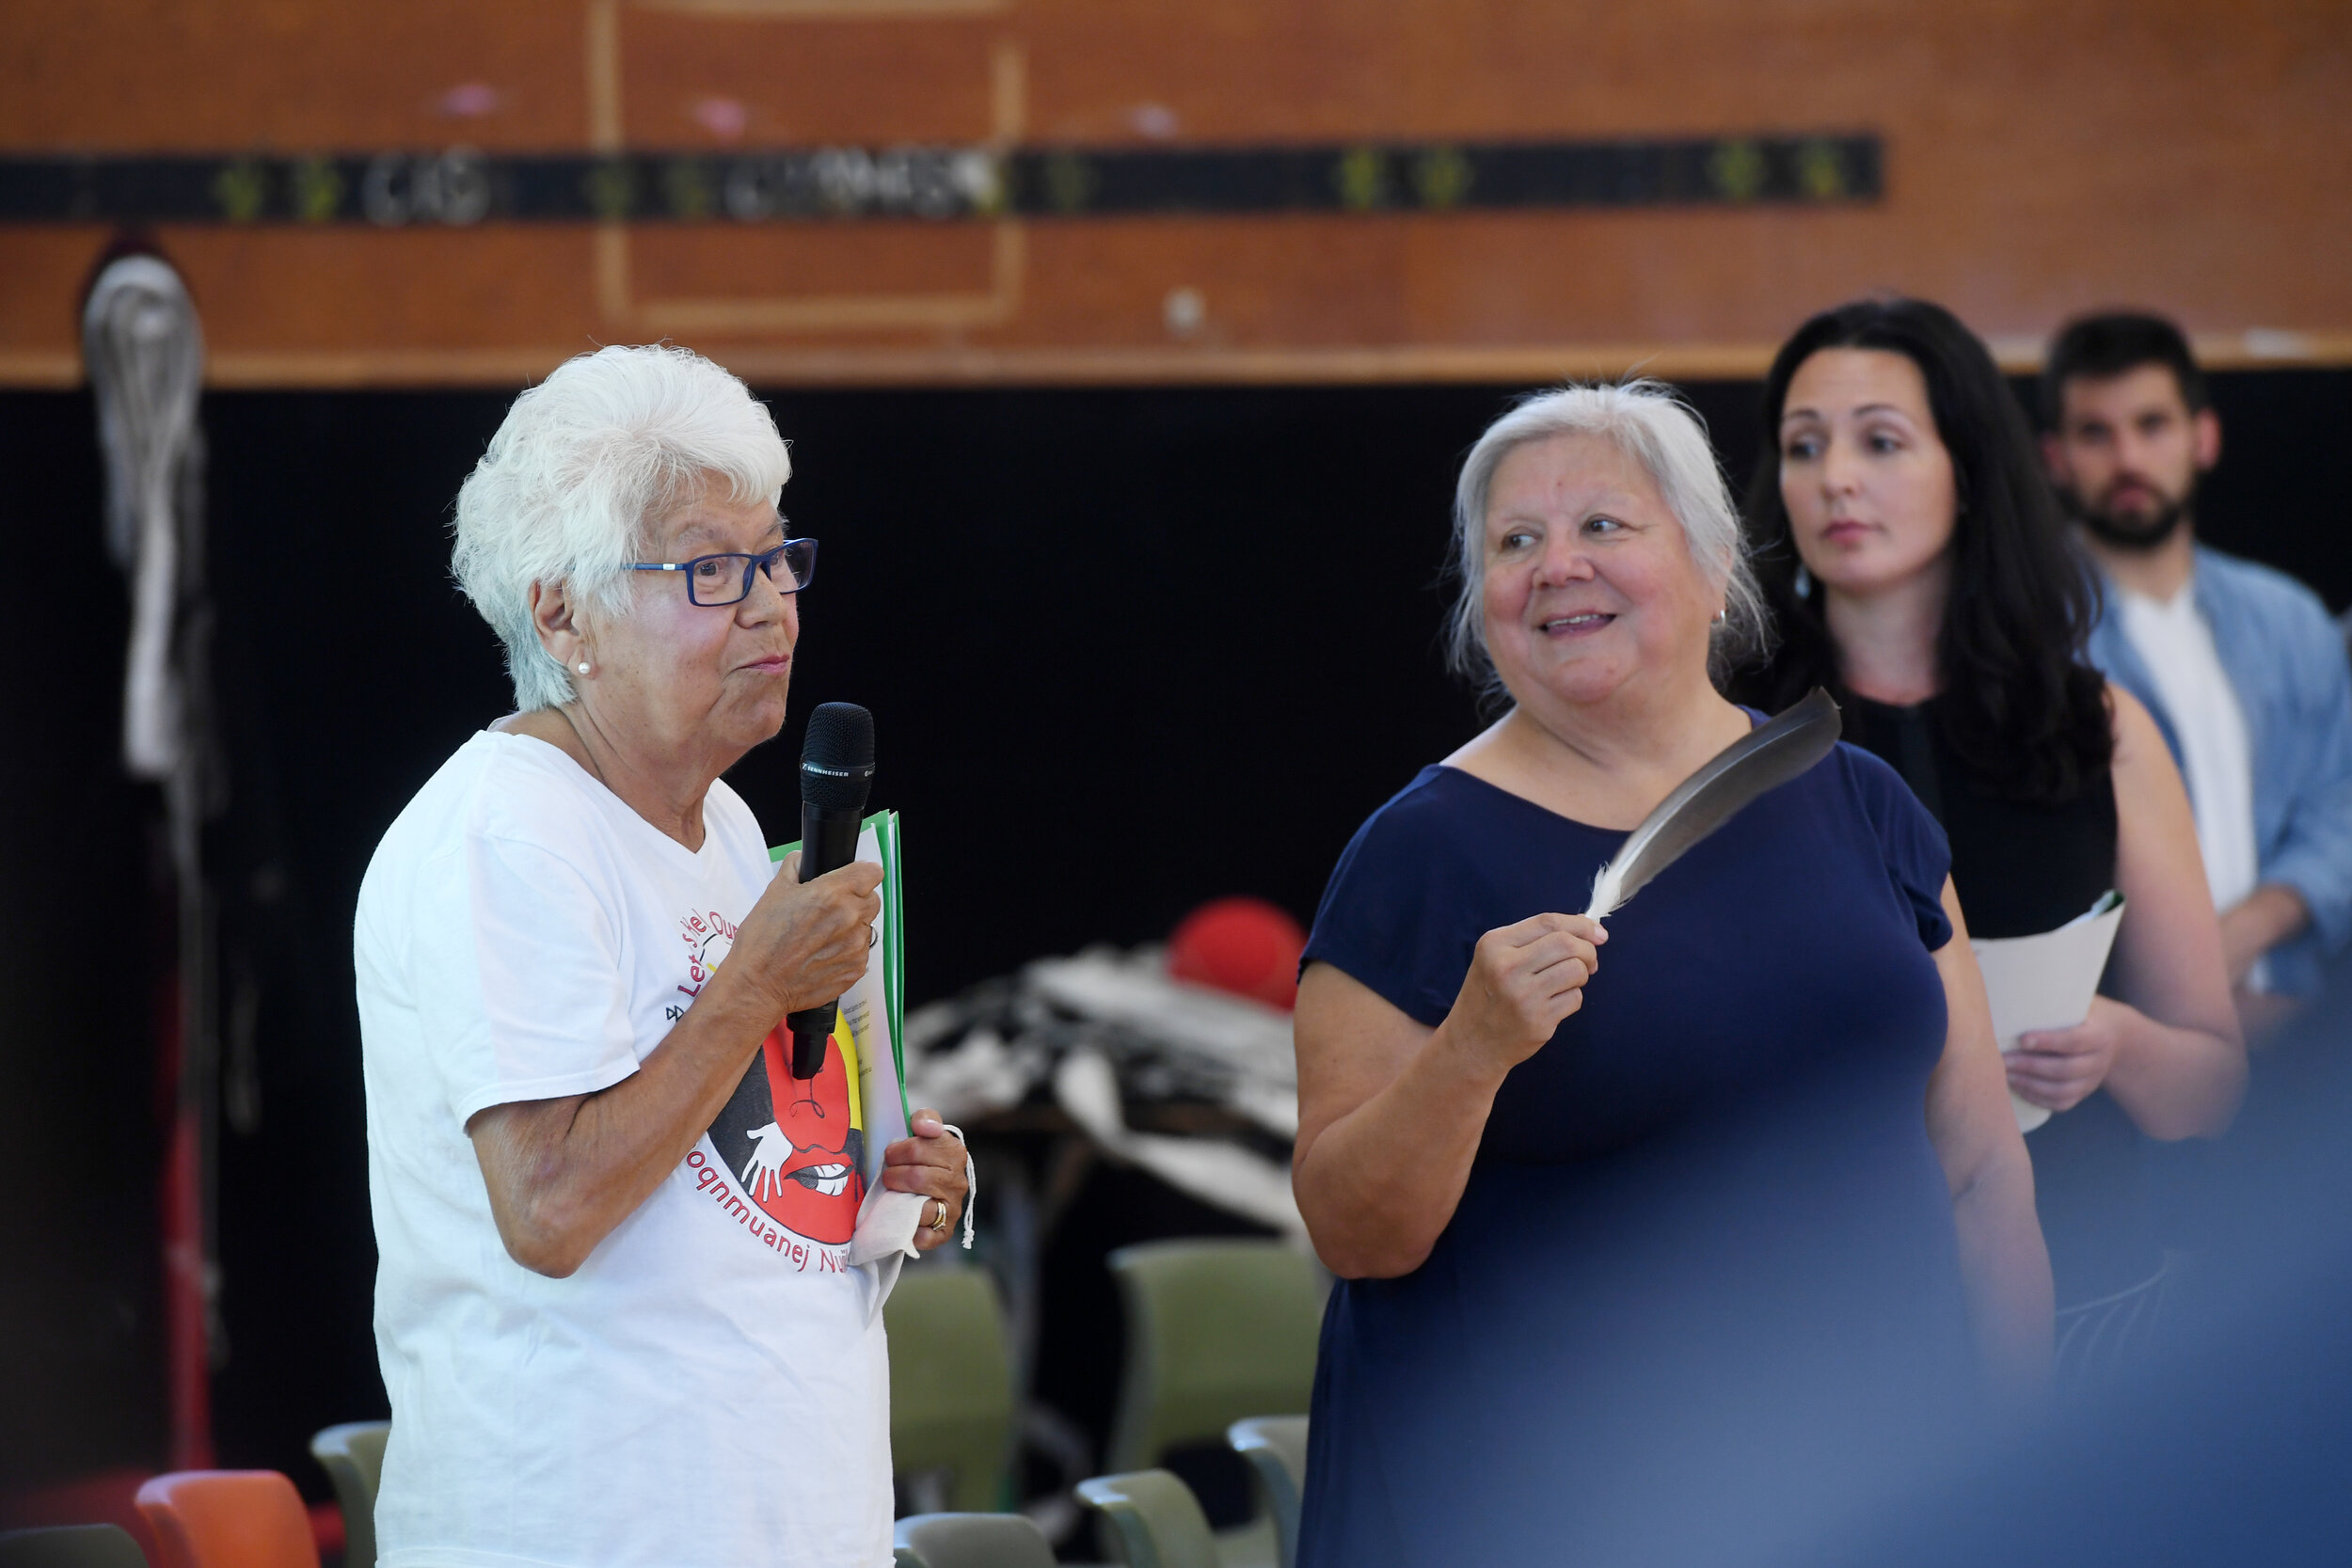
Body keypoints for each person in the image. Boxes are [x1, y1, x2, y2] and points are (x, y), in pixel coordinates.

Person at [1290, 382, 2051, 1566]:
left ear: (1708, 565)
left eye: (1602, 525)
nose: (1555, 567)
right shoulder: (1418, 854)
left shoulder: (1860, 803)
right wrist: (1472, 1048)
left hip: (1881, 1474)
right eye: (1515, 542)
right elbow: (1352, 1229)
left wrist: (2027, 1459)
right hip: (1558, 1507)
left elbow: (1981, 1165)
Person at [355, 345, 970, 1568]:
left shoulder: (731, 824)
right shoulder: (506, 831)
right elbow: (551, 1202)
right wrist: (755, 981)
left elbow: (727, 1185)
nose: (771, 603)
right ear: (561, 610)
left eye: (776, 554)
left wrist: (890, 1171)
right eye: (709, 567)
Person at [1737, 298, 2244, 1378]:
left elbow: (2214, 1080)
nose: (1835, 478)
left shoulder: (2093, 724)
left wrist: (2117, 1042)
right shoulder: (1725, 733)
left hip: (2091, 1293)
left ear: (1967, 469)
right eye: (1802, 445)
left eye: (1880, 440)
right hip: (1810, 1314)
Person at [2042, 312, 2352, 1032]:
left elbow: (2342, 801)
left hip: (2296, 1017)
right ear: (2054, 458)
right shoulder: (2023, 633)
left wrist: (2248, 930)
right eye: (2096, 432)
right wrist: (2185, 980)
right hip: (2116, 1033)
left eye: (2152, 425)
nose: (2127, 458)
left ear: (2203, 437)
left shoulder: (2289, 618)